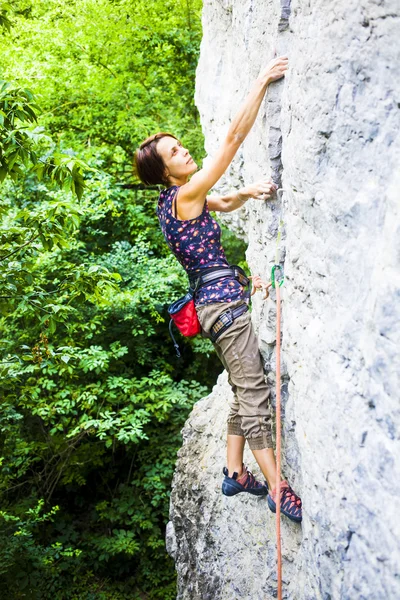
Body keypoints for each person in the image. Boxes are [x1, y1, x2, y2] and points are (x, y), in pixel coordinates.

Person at [134, 55, 302, 523]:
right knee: (255, 392)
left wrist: (247, 193)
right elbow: (231, 140)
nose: (185, 152)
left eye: (180, 147)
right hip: (225, 306)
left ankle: (234, 471)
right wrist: (262, 81)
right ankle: (276, 486)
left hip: (211, 308)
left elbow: (221, 201)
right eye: (175, 154)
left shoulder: (176, 202)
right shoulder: (184, 194)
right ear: (165, 173)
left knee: (239, 384)